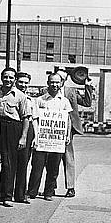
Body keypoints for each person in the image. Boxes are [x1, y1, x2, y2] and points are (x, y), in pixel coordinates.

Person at [27, 73, 72, 200]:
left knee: (53, 169)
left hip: (56, 141)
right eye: (52, 82)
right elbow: (35, 119)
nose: (54, 85)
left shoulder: (64, 101)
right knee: (37, 167)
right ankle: (32, 192)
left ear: (61, 84)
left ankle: (49, 192)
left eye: (57, 82)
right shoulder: (40, 100)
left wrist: (67, 135)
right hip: (42, 140)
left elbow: (67, 120)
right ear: (48, 83)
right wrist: (36, 136)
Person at [0, 67, 30, 207]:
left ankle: (6, 195)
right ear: (1, 77)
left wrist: (23, 137)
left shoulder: (20, 96)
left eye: (10, 77)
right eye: (5, 77)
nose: (7, 80)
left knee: (8, 163)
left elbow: (25, 118)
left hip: (12, 128)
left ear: (14, 80)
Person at [56, 69, 93, 197]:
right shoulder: (45, 92)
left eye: (62, 79)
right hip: (50, 130)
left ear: (65, 81)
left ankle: (70, 187)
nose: (59, 81)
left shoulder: (71, 92)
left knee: (68, 157)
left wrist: (87, 85)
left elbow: (87, 103)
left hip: (67, 129)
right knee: (49, 158)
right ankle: (50, 186)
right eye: (57, 77)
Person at [14, 71, 36, 204]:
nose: (23, 85)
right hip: (13, 128)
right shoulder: (11, 96)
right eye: (20, 82)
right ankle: (4, 192)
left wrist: (35, 137)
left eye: (26, 83)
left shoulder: (30, 100)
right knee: (9, 162)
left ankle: (21, 193)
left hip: (27, 131)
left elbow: (35, 119)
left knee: (23, 163)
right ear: (16, 81)